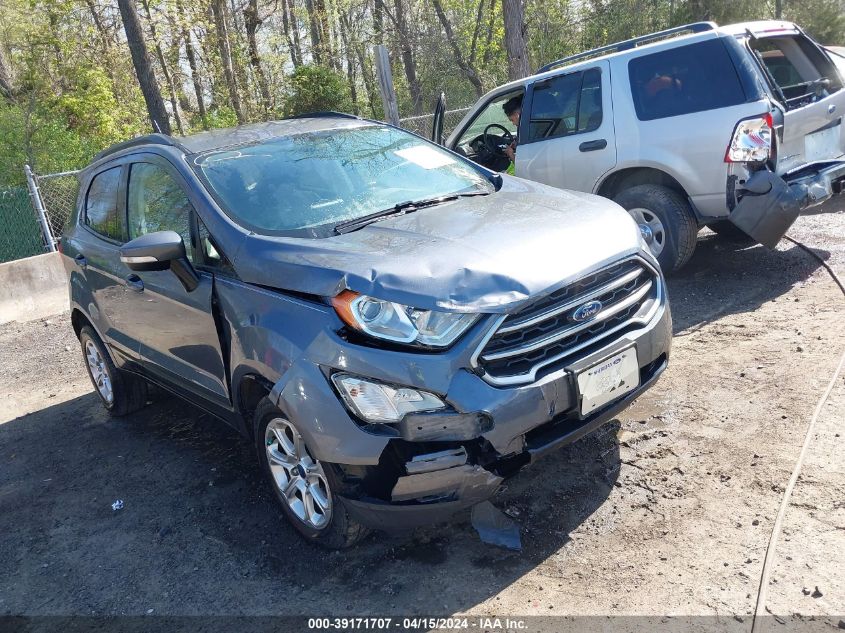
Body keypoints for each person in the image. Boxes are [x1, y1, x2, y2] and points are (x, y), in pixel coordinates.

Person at [502, 95, 522, 164]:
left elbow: (523, 168)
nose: (513, 123)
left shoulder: (532, 130)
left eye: (512, 120)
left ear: (517, 115)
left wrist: (511, 154)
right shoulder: (530, 128)